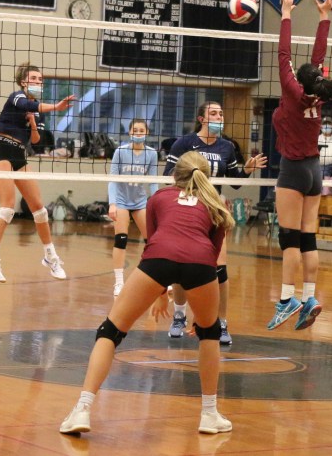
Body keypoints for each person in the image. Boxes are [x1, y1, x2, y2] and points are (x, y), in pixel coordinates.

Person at [59, 152, 235, 435]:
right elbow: (209, 258)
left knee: (110, 331)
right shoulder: (216, 203)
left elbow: (155, 242)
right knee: (209, 333)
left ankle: (82, 409)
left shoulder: (159, 198)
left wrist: (160, 292)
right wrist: (202, 313)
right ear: (207, 176)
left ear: (174, 175)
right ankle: (209, 414)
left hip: (158, 260)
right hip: (201, 264)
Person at [267, 0, 332, 331]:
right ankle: (310, 296)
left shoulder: (292, 91)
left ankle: (287, 299)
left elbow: (283, 53)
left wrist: (286, 13)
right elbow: (317, 58)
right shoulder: (318, 94)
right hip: (315, 170)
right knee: (308, 238)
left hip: (294, 169)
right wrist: (324, 17)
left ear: (296, 80)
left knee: (289, 239)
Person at [163, 101, 267, 345]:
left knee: (220, 270)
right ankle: (179, 315)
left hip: (214, 210)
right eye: (213, 113)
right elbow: (168, 176)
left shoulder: (227, 147)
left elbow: (235, 183)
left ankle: (221, 322)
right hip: (188, 208)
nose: (219, 117)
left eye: (221, 113)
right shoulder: (184, 143)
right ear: (202, 119)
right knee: (181, 266)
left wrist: (247, 170)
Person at [0, 61, 76, 282]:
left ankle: (50, 257)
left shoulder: (37, 111)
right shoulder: (16, 97)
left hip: (19, 155)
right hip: (1, 152)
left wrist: (32, 122)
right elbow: (27, 105)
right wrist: (56, 107)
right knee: (7, 208)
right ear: (23, 82)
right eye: (33, 79)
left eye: (40, 80)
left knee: (40, 210)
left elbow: (36, 140)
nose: (38, 82)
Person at [108, 118, 159, 297]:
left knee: (152, 241)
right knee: (121, 239)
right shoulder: (120, 151)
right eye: (135, 130)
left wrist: (156, 203)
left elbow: (153, 181)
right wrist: (112, 203)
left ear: (147, 133)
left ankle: (156, 278)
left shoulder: (151, 153)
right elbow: (113, 179)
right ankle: (119, 282)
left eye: (141, 131)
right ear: (129, 132)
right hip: (121, 200)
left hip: (140, 201)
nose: (138, 133)